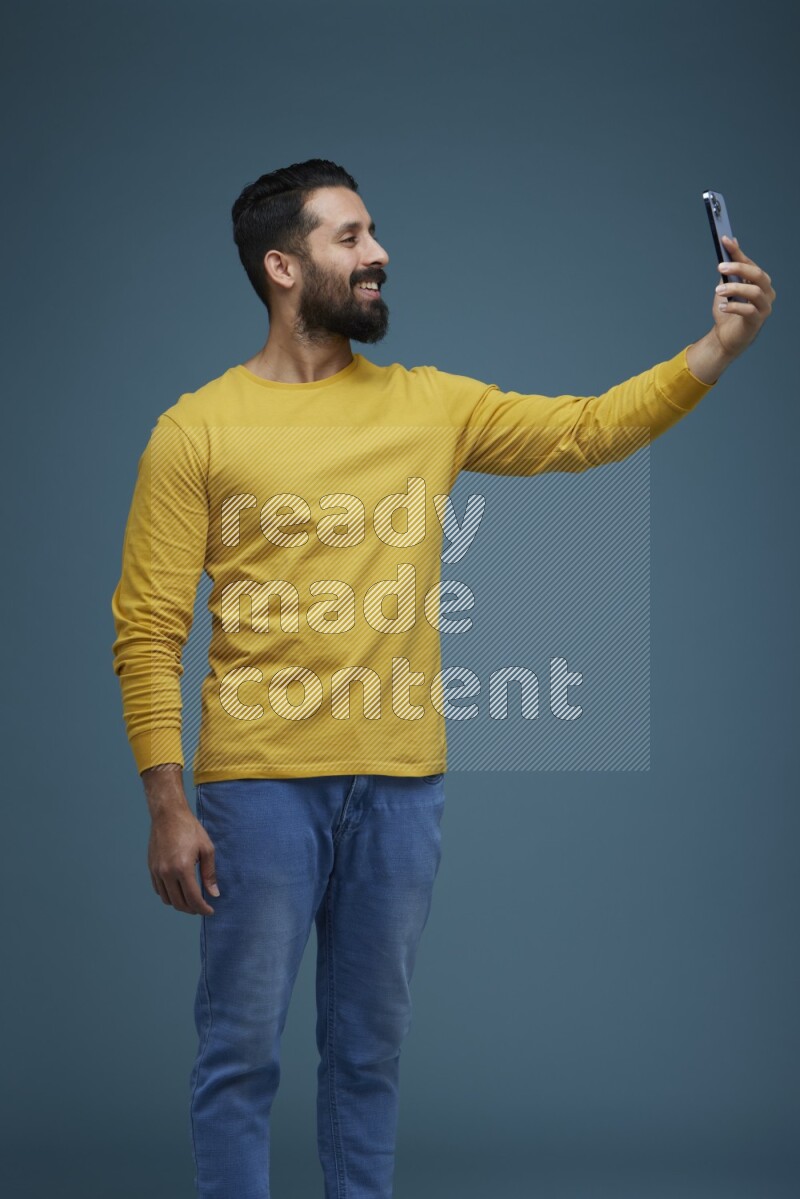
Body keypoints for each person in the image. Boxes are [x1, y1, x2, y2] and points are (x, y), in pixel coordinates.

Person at [110, 158, 774, 1199]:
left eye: (372, 231)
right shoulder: (193, 430)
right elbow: (147, 627)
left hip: (400, 792)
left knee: (367, 1060)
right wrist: (165, 799)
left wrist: (716, 349)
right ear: (282, 267)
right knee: (239, 1058)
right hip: (257, 792)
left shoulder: (429, 405)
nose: (376, 253)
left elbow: (587, 429)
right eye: (348, 237)